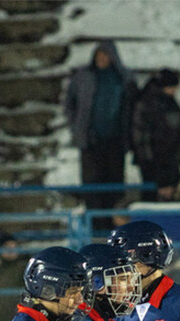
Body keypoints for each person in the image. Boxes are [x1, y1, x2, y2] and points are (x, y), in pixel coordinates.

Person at [63, 40, 136, 228]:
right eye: (99, 55)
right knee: (92, 186)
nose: (102, 59)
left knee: (114, 185)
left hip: (115, 142)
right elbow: (70, 103)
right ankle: (95, 226)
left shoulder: (124, 78)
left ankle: (114, 226)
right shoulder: (83, 77)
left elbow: (130, 107)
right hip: (90, 141)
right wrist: (77, 126)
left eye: (105, 56)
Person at [131, 68, 180, 202]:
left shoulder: (170, 102)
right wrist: (147, 160)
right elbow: (140, 133)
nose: (174, 91)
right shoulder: (147, 103)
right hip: (154, 161)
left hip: (170, 159)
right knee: (151, 194)